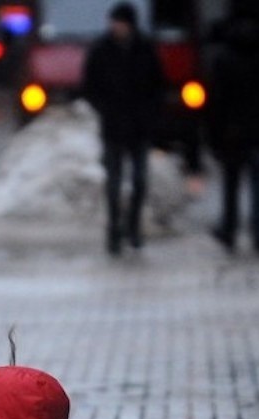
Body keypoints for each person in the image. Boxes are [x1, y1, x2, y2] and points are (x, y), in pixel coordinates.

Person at [82, 2, 164, 256]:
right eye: (113, 22)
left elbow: (157, 85)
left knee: (139, 182)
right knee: (114, 184)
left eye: (120, 22)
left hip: (138, 127)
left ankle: (133, 227)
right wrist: (104, 108)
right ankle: (114, 229)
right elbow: (90, 85)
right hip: (114, 126)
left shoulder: (145, 50)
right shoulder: (101, 50)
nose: (115, 27)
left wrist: (149, 113)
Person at [204, 8, 259, 254]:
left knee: (232, 186)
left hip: (233, 134)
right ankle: (258, 234)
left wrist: (214, 135)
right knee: (258, 186)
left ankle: (230, 231)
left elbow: (217, 102)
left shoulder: (224, 60)